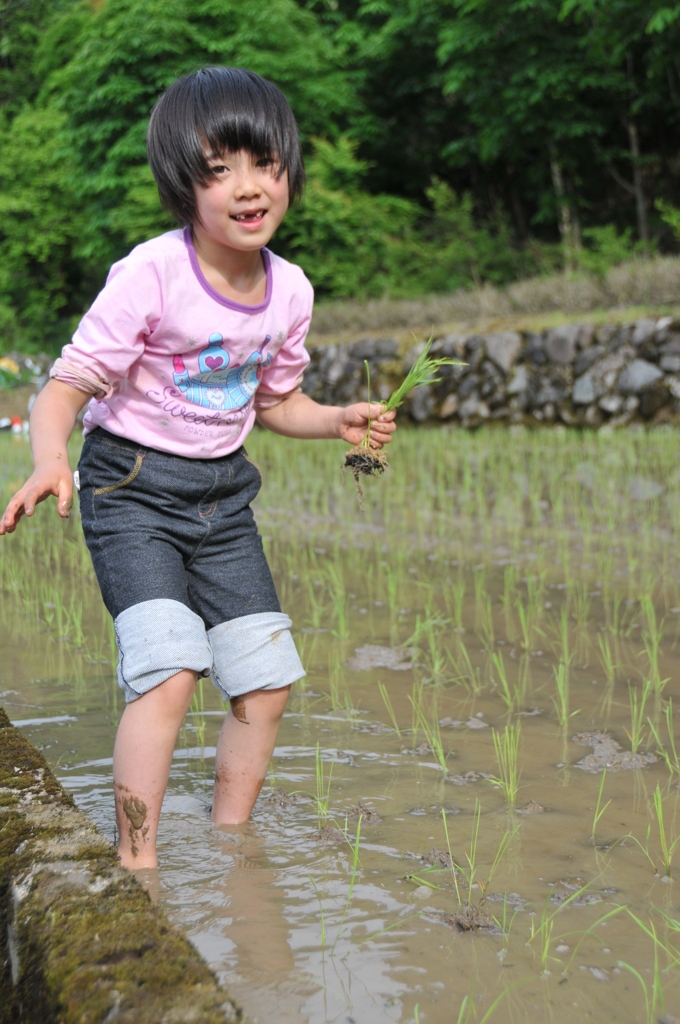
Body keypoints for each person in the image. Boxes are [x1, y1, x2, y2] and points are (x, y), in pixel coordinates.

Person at [0, 66, 396, 869]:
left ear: (288, 169)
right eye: (219, 171)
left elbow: (275, 403)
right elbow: (64, 388)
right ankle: (137, 863)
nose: (247, 189)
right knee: (171, 672)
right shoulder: (153, 273)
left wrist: (335, 422)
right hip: (130, 490)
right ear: (185, 187)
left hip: (222, 502)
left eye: (264, 165)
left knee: (266, 683)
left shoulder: (289, 291)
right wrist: (50, 460)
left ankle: (231, 846)